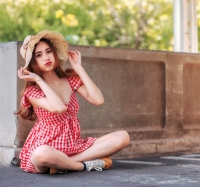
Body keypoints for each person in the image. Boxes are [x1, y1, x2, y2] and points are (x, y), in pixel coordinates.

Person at [16, 30, 130, 174]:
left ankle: (64, 164)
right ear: (33, 63)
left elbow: (98, 100)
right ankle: (83, 166)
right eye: (39, 55)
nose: (46, 57)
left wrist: (78, 68)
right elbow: (58, 108)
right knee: (42, 153)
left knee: (122, 137)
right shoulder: (32, 92)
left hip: (72, 146)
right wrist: (39, 80)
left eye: (48, 51)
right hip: (47, 149)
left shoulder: (70, 80)